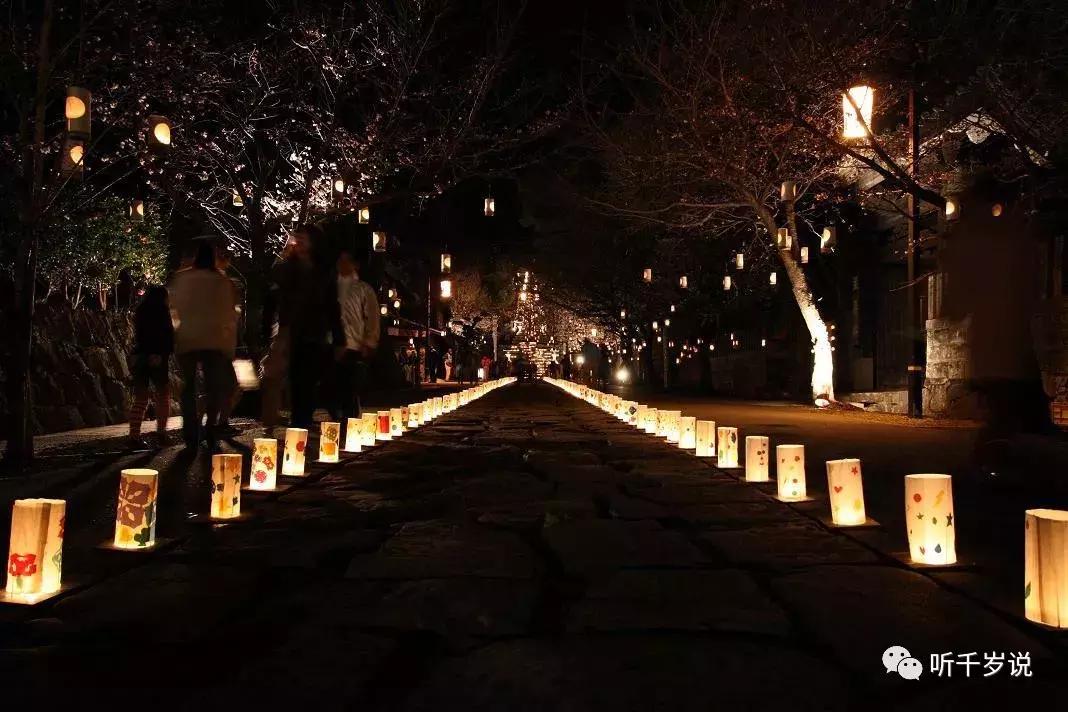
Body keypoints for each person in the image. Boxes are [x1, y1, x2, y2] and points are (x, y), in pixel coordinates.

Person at [267, 224, 344, 429]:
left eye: (303, 239)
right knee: (296, 376)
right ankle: (299, 419)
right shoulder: (287, 267)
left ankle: (313, 415)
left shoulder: (323, 270)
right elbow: (273, 296)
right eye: (296, 238)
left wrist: (339, 337)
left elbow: (332, 304)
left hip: (315, 329)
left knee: (311, 375)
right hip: (291, 329)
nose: (298, 242)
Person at [169, 239, 237, 450]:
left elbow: (175, 309)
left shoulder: (183, 279)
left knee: (189, 385)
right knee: (213, 386)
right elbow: (229, 314)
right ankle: (210, 428)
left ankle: (190, 430)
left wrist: (178, 329)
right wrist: (229, 344)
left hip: (188, 337)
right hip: (214, 339)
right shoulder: (221, 281)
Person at [333, 249, 380, 422]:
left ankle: (349, 420)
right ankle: (342, 417)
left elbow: (373, 317)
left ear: (355, 265)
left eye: (347, 260)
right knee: (334, 385)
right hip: (333, 343)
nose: (343, 264)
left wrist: (370, 341)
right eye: (340, 260)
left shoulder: (363, 289)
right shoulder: (332, 287)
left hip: (354, 344)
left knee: (349, 386)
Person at [127, 286, 174, 449]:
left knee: (140, 397)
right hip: (157, 356)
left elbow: (138, 335)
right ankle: (161, 433)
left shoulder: (140, 311)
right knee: (163, 395)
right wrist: (164, 352)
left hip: (139, 356)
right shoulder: (163, 311)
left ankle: (134, 436)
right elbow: (167, 335)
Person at [215, 246, 242, 435]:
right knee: (229, 385)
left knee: (227, 385)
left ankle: (217, 422)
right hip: (222, 344)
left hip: (220, 343)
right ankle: (219, 423)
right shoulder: (221, 283)